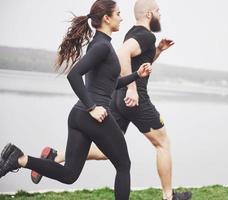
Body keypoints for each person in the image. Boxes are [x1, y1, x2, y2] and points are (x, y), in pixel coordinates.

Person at [31, 0, 192, 199]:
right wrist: (131, 90)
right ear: (149, 14)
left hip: (114, 98)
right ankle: (169, 197)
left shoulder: (131, 34)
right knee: (162, 144)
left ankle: (56, 157)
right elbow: (122, 54)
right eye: (158, 11)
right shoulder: (145, 36)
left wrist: (156, 52)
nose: (160, 14)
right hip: (134, 99)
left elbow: (129, 64)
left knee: (108, 151)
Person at [0, 1, 152, 200]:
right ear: (107, 18)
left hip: (79, 116)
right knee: (124, 165)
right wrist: (92, 108)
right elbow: (74, 75)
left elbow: (110, 84)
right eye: (118, 13)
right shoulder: (102, 47)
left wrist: (136, 75)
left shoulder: (100, 45)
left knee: (69, 174)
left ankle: (19, 158)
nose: (121, 18)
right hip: (93, 116)